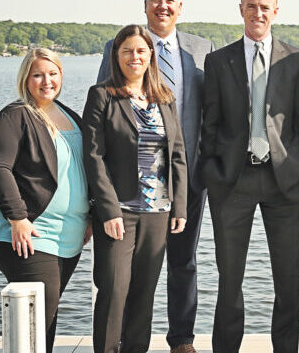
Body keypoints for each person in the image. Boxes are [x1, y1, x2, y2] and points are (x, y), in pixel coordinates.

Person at [97, 0, 214, 353]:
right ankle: (119, 342)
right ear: (144, 4)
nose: (163, 6)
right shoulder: (119, 47)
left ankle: (181, 339)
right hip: (130, 185)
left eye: (170, 1)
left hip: (186, 176)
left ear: (181, 7)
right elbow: (101, 117)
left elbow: (210, 111)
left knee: (184, 262)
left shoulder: (201, 49)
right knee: (126, 273)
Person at [199, 0, 299, 353]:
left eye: (265, 7)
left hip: (286, 184)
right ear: (241, 9)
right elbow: (210, 124)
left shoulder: (297, 60)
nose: (258, 13)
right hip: (233, 182)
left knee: (289, 280)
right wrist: (214, 174)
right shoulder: (219, 61)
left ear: (275, 12)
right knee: (229, 280)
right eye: (251, 6)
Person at [83, 25, 188, 353]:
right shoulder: (102, 96)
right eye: (127, 50)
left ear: (150, 56)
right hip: (120, 214)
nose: (135, 57)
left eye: (141, 51)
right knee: (114, 290)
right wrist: (108, 209)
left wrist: (179, 206)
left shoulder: (164, 98)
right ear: (116, 55)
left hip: (158, 213)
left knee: (144, 294)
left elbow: (178, 154)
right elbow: (93, 156)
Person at [0, 48, 90, 353]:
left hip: (67, 235)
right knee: (38, 315)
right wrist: (17, 219)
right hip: (29, 232)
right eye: (38, 74)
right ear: (26, 78)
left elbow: (86, 168)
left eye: (53, 73)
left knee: (47, 311)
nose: (46, 81)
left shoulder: (69, 115)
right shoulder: (15, 115)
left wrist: (90, 214)